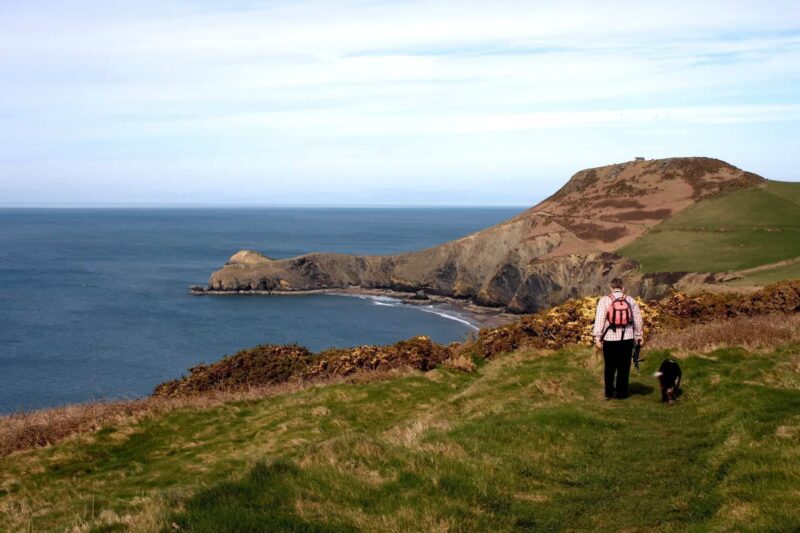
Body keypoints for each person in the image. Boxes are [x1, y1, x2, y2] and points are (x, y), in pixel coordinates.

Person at [593, 278, 643, 399]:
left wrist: (597, 338)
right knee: (624, 367)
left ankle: (609, 393)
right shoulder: (630, 300)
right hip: (627, 337)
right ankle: (621, 394)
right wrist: (639, 336)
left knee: (609, 367)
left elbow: (599, 319)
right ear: (623, 288)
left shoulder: (604, 300)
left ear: (611, 288)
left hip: (609, 339)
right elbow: (637, 320)